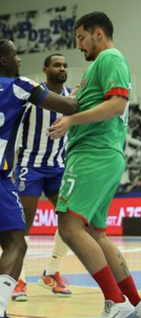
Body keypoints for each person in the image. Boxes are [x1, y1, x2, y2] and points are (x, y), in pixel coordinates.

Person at [45, 12, 141, 318]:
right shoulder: (99, 66)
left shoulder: (110, 58)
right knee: (96, 234)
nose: (78, 45)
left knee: (68, 226)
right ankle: (136, 303)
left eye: (81, 37)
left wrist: (71, 120)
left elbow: (117, 103)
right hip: (104, 154)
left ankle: (114, 301)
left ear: (98, 34)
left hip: (93, 153)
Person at [0, 37, 78, 318]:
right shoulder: (27, 90)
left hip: (58, 167)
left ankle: (51, 273)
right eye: (56, 64)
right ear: (45, 69)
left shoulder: (68, 93)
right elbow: (72, 108)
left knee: (71, 222)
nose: (62, 68)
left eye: (65, 64)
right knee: (20, 231)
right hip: (29, 166)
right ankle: (16, 279)